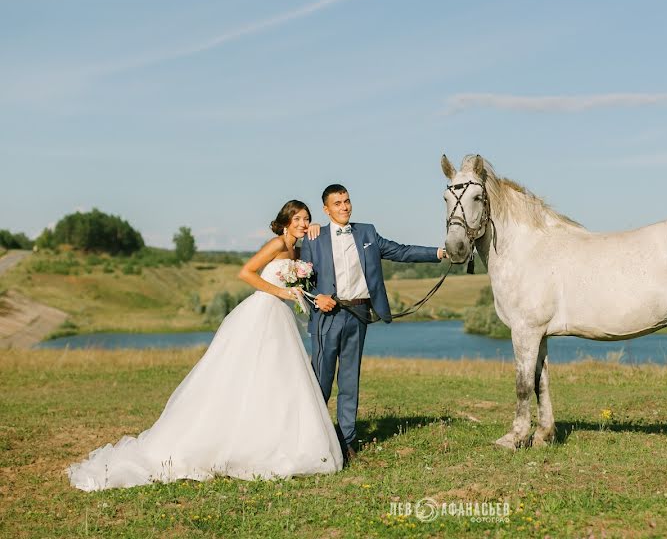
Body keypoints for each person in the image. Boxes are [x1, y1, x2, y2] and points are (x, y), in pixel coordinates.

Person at [68, 200, 343, 491]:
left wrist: (315, 237)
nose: (302, 223)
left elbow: (318, 255)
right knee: (241, 374)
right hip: (262, 311)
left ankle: (273, 439)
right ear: (285, 221)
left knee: (277, 379)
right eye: (297, 218)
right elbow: (246, 273)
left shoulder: (298, 251)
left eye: (306, 219)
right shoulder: (276, 245)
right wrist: (281, 291)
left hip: (280, 317)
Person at [301, 184, 446, 461]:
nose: (344, 207)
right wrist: (316, 298)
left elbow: (401, 251)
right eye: (337, 203)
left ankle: (347, 442)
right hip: (326, 319)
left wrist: (439, 253)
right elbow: (302, 281)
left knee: (349, 381)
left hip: (358, 316)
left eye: (347, 201)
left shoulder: (366, 232)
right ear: (326, 209)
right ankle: (313, 439)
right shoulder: (313, 239)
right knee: (321, 381)